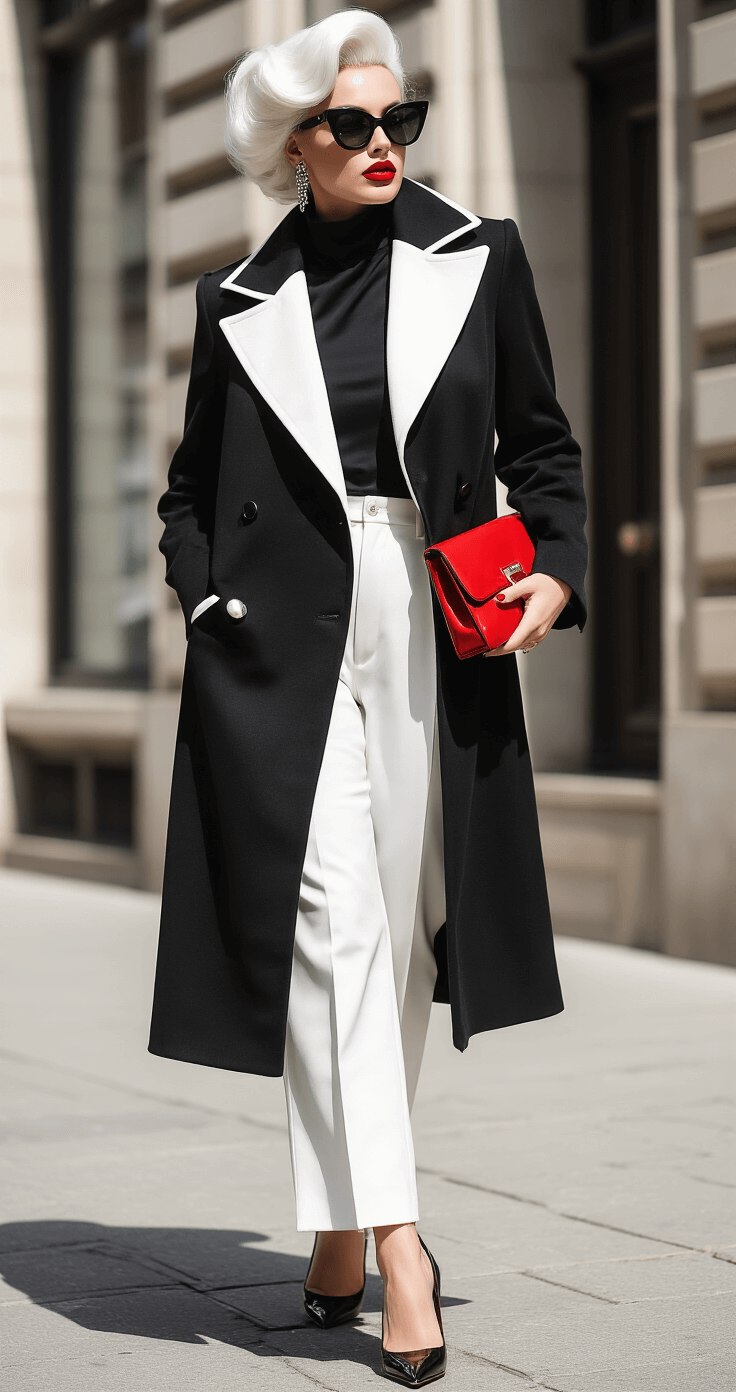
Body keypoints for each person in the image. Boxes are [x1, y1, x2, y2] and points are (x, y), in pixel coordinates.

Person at [149, 10, 587, 1385]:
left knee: (395, 936)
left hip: (428, 615)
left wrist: (557, 572)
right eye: (354, 123)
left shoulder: (480, 257)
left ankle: (335, 1228)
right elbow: (186, 491)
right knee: (332, 923)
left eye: (402, 118)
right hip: (277, 641)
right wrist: (203, 594)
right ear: (297, 143)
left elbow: (544, 447)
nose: (384, 141)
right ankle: (401, 1247)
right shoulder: (235, 302)